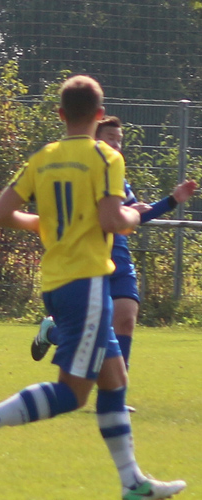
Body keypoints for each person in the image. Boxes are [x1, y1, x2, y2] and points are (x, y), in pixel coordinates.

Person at [0, 76, 186, 500]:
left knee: (114, 380)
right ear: (99, 116)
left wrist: (41, 222)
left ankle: (132, 482)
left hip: (57, 282)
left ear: (60, 115)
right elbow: (114, 220)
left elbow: (1, 214)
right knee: (72, 394)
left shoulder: (43, 157)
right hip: (88, 282)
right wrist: (135, 218)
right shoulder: (106, 158)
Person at [30, 117, 197, 411]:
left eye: (119, 140)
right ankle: (51, 333)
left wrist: (171, 200)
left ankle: (116, 395)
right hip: (90, 257)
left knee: (127, 316)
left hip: (118, 253)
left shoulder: (118, 177)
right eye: (110, 138)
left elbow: (133, 216)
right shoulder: (81, 171)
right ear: (94, 138)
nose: (116, 144)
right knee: (90, 333)